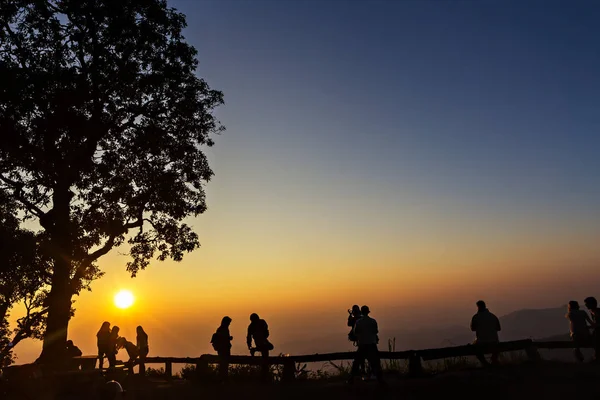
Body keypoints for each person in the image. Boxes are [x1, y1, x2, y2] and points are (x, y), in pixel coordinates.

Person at [347, 305, 385, 385]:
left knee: (356, 363)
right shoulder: (373, 321)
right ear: (368, 312)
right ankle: (380, 380)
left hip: (362, 344)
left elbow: (355, 332)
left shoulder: (358, 322)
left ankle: (351, 380)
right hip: (372, 344)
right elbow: (375, 331)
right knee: (375, 362)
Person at [470, 300, 501, 366]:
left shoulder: (476, 317)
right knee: (497, 344)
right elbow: (499, 328)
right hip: (494, 342)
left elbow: (472, 329)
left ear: (478, 307)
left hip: (481, 343)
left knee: (474, 348)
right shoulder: (493, 316)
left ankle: (485, 363)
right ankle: (494, 360)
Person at [247, 313, 273, 381]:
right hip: (260, 342)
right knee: (265, 356)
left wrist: (250, 346)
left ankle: (255, 349)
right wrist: (249, 345)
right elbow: (249, 337)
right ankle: (264, 376)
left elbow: (266, 332)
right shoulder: (256, 324)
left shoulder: (254, 325)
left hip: (262, 341)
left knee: (269, 348)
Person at [211, 316, 233, 382]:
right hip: (223, 350)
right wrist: (229, 338)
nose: (229, 324)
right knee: (224, 365)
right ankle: (223, 379)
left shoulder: (222, 329)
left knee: (224, 365)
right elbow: (223, 339)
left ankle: (223, 379)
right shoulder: (222, 329)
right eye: (228, 323)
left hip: (224, 350)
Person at [584, 297, 600, 362]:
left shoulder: (597, 312)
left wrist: (590, 327)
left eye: (586, 304)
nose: (585, 305)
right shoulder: (592, 311)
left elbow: (597, 324)